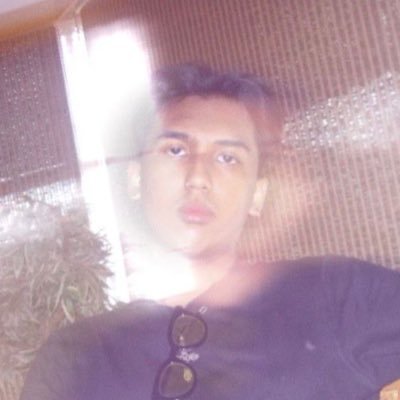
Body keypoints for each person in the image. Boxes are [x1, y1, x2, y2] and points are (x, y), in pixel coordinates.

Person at [20, 64, 400, 400]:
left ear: (257, 195)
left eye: (227, 158)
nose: (198, 177)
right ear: (135, 178)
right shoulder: (76, 355)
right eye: (175, 150)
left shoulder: (330, 295)